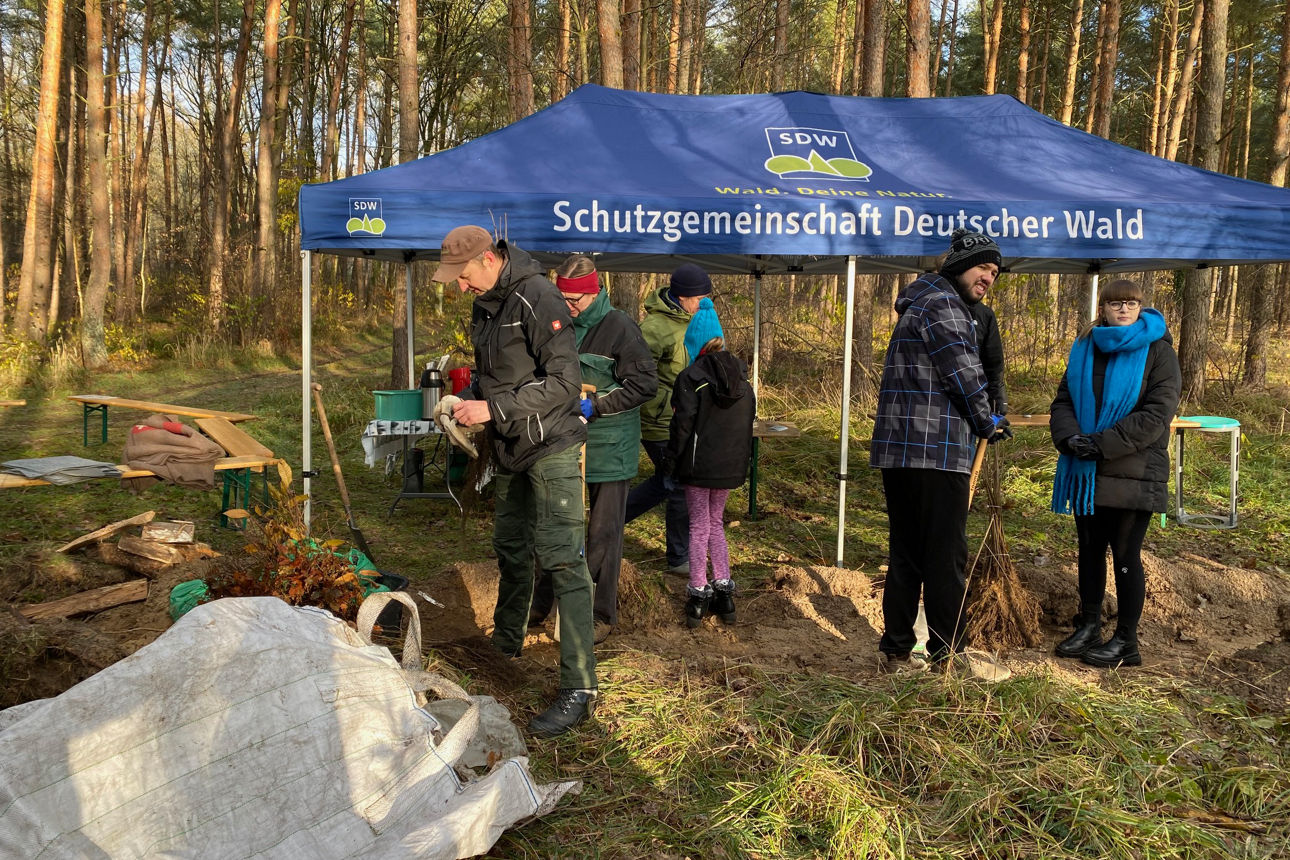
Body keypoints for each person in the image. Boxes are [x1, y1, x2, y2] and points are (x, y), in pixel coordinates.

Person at [432, 225, 597, 738]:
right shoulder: (486, 304)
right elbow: (494, 376)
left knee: (562, 558)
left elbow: (566, 382)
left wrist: (493, 408)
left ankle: (580, 687)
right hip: (511, 449)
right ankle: (505, 647)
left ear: (488, 259)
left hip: (551, 447)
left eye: (463, 276)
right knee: (510, 546)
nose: (460, 287)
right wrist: (466, 400)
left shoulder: (538, 295)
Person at [870, 230, 1010, 673]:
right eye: (982, 267)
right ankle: (947, 655)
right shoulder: (945, 306)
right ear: (958, 266)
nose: (988, 278)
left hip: (901, 451)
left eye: (994, 272)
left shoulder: (918, 303)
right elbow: (964, 376)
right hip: (936, 450)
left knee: (907, 554)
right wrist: (989, 421)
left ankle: (895, 651)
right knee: (946, 558)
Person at [1049, 279, 1180, 668]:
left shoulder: (1158, 351)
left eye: (1131, 303)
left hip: (1135, 468)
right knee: (1089, 550)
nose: (1124, 309)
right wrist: (1070, 438)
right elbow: (1064, 400)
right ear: (1102, 308)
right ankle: (1089, 625)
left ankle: (1126, 640)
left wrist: (1102, 443)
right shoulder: (1085, 346)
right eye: (1115, 303)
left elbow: (1157, 413)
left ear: (1140, 308)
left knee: (1125, 554)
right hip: (1086, 469)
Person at [530, 255, 658, 643]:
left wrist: (597, 404)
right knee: (555, 525)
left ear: (594, 292)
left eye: (574, 300)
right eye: (562, 298)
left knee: (603, 534)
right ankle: (540, 604)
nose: (568, 306)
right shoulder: (556, 323)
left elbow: (644, 385)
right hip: (562, 444)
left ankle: (600, 613)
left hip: (609, 449)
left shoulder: (620, 327)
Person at [624, 263, 713, 576]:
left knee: (666, 481)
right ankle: (679, 558)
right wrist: (665, 403)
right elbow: (637, 376)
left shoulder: (697, 319)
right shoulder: (654, 328)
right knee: (678, 483)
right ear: (683, 296)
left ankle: (609, 520)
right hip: (660, 420)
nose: (704, 302)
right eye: (699, 297)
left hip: (687, 418)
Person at [666, 324, 755, 628]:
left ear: (695, 346)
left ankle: (698, 593)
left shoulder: (690, 379)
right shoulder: (743, 382)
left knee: (699, 525)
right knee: (714, 523)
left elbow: (681, 426)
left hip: (697, 467)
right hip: (729, 465)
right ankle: (724, 590)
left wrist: (670, 460)